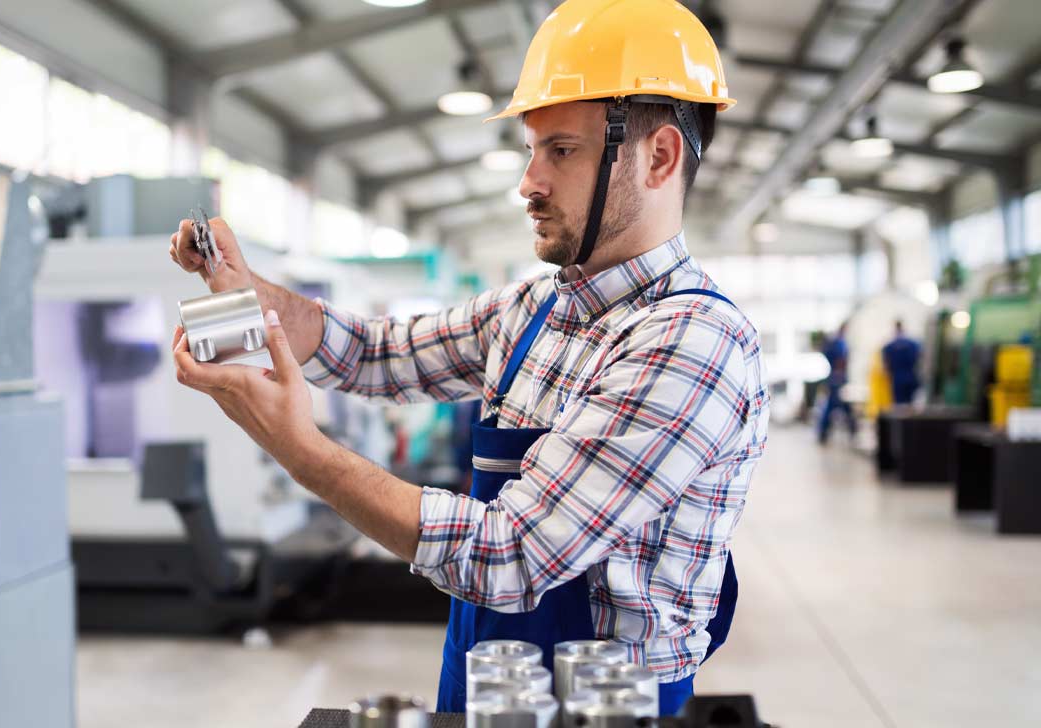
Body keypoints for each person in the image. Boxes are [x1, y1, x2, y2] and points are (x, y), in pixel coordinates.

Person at [168, 0, 767, 716]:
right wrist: (248, 291)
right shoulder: (533, 309)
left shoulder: (692, 341)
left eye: (562, 151)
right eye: (532, 150)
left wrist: (302, 451)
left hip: (607, 709)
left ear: (659, 157)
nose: (529, 182)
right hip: (484, 681)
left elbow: (510, 555)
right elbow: (373, 352)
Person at [818, 323, 857, 443]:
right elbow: (842, 359)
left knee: (835, 406)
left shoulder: (832, 343)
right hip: (838, 378)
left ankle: (824, 432)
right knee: (843, 406)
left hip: (833, 378)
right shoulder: (840, 343)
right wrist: (840, 374)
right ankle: (852, 430)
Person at [882, 320, 921, 405]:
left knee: (898, 403)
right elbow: (918, 359)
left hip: (897, 378)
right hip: (910, 377)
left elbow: (886, 365)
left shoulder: (889, 346)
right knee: (909, 403)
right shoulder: (913, 344)